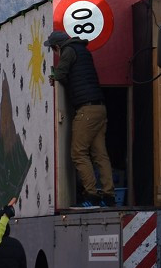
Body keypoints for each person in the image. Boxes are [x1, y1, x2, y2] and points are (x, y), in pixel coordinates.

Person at [45, 30, 116, 208]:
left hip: (86, 110)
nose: (55, 53)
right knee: (100, 154)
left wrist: (52, 77)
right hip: (100, 108)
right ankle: (109, 195)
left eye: (53, 49)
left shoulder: (68, 51)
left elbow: (60, 74)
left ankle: (91, 194)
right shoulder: (83, 50)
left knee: (78, 152)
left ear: (57, 46)